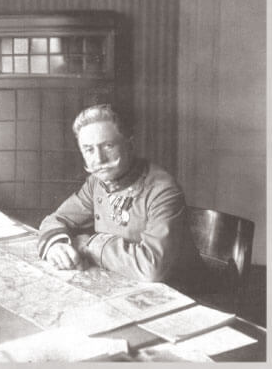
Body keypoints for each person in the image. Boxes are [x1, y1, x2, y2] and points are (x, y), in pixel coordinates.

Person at [38, 104, 203, 290]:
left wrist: (88, 243)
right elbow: (57, 219)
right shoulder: (96, 183)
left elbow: (152, 267)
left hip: (181, 294)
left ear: (129, 145)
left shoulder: (162, 190)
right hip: (122, 283)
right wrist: (57, 245)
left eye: (108, 146)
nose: (99, 159)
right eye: (89, 150)